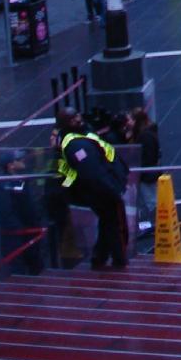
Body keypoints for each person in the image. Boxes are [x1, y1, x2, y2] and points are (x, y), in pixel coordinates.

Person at [55, 110, 129, 269]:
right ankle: (120, 259)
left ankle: (99, 256)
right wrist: (113, 190)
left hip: (100, 190)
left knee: (107, 223)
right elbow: (92, 173)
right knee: (116, 225)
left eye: (77, 115)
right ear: (64, 123)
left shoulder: (80, 134)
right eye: (72, 118)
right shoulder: (76, 145)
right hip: (103, 192)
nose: (77, 118)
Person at [131, 108, 161, 234]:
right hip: (150, 173)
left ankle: (157, 226)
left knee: (151, 202)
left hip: (147, 175)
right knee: (151, 201)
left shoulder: (145, 136)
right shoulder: (149, 132)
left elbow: (148, 157)